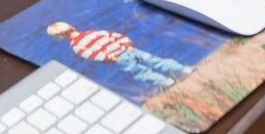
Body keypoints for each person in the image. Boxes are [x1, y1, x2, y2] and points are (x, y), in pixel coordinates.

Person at [45, 21, 191, 90]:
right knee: (156, 61)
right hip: (127, 50)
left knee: (142, 72)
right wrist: (127, 44)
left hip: (120, 58)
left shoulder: (76, 45)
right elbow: (115, 36)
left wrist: (109, 58)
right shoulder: (93, 32)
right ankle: (183, 69)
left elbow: (92, 54)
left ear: (61, 36)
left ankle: (167, 83)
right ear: (72, 26)